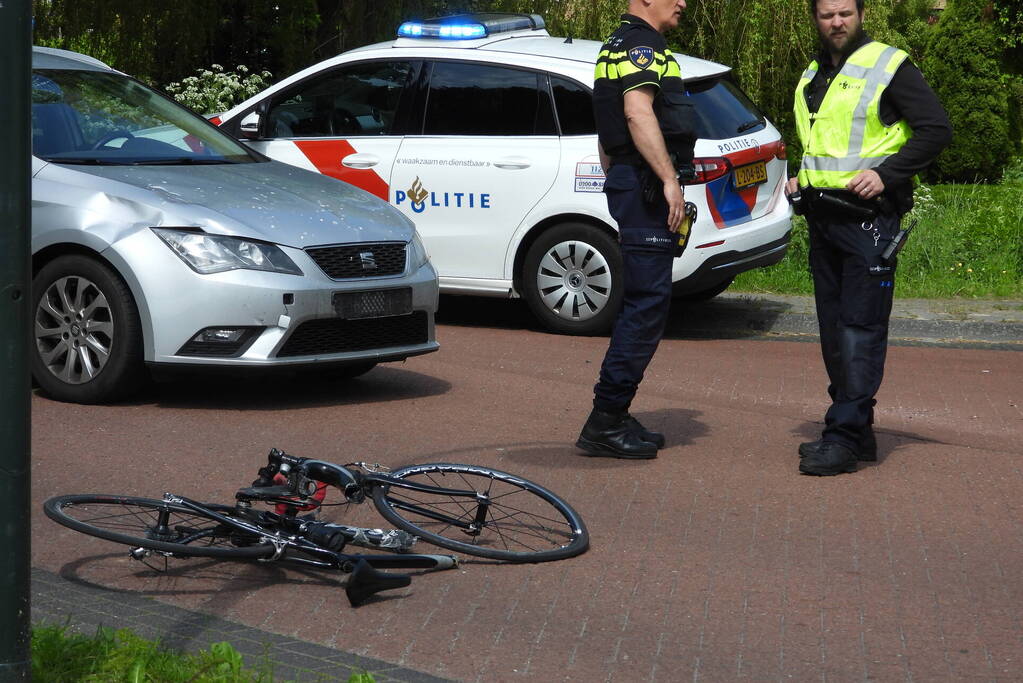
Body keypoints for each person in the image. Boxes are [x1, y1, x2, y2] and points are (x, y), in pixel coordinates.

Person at [788, 0, 952, 475]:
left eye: (845, 13)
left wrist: (886, 174)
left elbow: (936, 129)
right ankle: (855, 431)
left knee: (860, 329)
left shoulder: (888, 65)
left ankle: (842, 435)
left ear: (860, 14)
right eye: (827, 14)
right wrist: (803, 178)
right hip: (823, 219)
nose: (837, 22)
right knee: (834, 332)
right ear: (815, 18)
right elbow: (822, 145)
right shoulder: (812, 75)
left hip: (869, 223)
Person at [577, 0, 695, 460]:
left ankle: (614, 414)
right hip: (644, 187)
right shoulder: (644, 44)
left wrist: (617, 174)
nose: (683, 3)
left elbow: (606, 128)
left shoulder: (615, 44)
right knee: (647, 304)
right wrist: (667, 180)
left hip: (630, 181)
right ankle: (605, 419)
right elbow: (635, 112)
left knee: (642, 301)